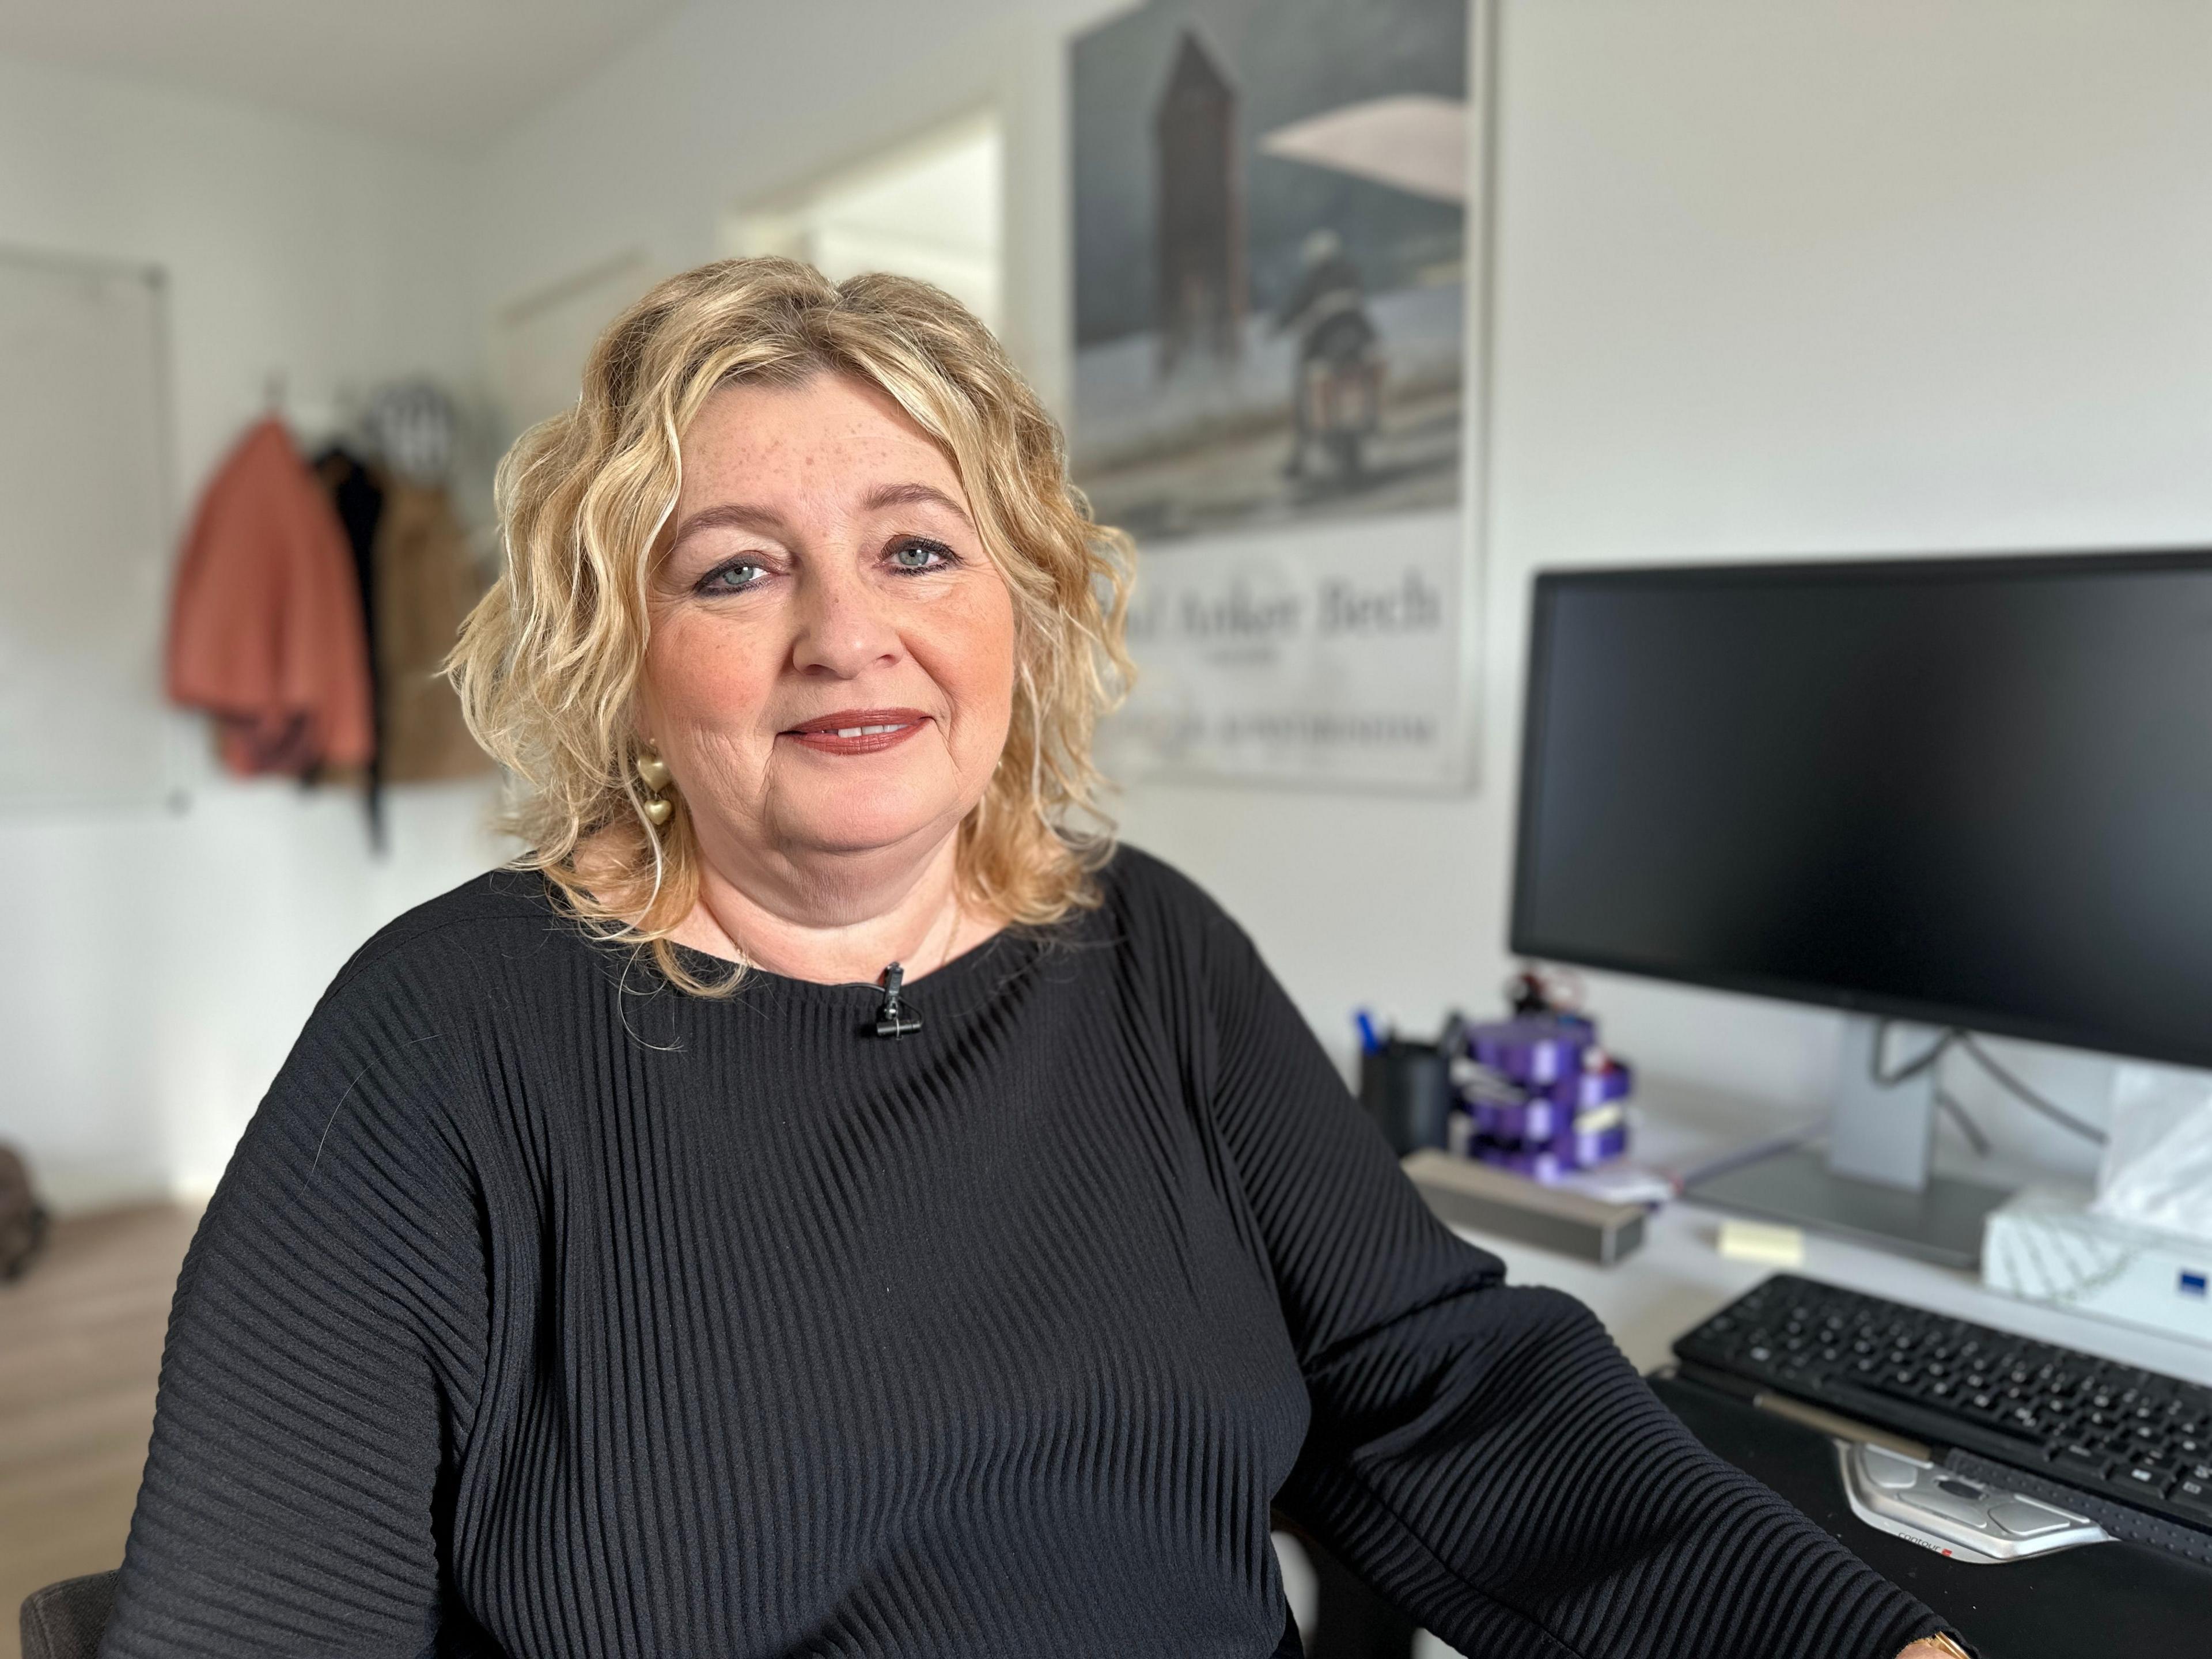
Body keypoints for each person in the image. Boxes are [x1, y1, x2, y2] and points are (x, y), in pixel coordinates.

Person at [101, 258, 1968, 1659]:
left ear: (1024, 609)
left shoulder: (1148, 948)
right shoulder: (440, 1041)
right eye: (737, 570)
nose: (851, 635)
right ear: (625, 665)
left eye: (919, 549)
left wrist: (1866, 1645)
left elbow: (1442, 1387)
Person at [1275, 228, 1379, 482]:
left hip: (1323, 348)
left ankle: (1300, 453)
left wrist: (1278, 326)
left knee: (1303, 390)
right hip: (1360, 343)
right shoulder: (1350, 272)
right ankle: (1372, 421)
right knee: (1368, 375)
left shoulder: (1313, 280)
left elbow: (1293, 310)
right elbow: (1361, 306)